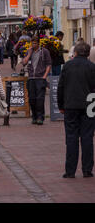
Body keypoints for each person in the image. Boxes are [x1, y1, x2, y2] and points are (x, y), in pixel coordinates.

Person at [58, 41, 95, 178]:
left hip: (71, 105)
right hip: (89, 106)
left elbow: (61, 87)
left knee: (71, 138)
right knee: (87, 138)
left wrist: (61, 105)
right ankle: (87, 169)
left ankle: (70, 170)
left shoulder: (67, 66)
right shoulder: (92, 67)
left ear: (76, 52)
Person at [20, 36, 51, 125]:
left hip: (40, 78)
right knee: (32, 99)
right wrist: (29, 54)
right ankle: (34, 116)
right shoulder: (29, 51)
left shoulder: (44, 52)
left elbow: (48, 64)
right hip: (31, 78)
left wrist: (45, 76)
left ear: (38, 43)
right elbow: (24, 62)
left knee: (40, 99)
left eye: (35, 43)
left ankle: (40, 117)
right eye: (32, 43)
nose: (33, 45)